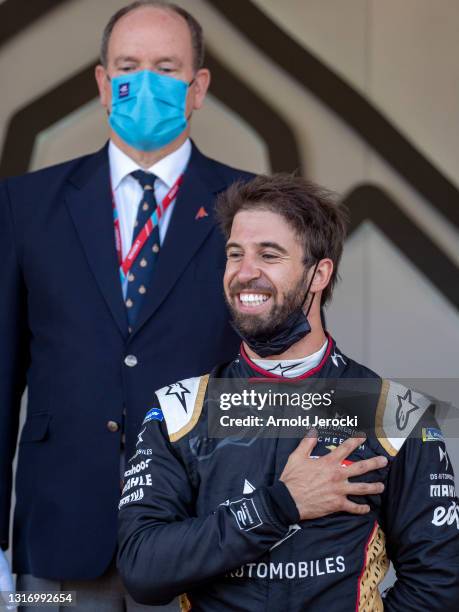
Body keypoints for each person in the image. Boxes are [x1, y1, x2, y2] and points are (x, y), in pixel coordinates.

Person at [0, 1, 253, 609]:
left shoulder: (250, 207)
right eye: (128, 65)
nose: (145, 83)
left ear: (198, 88)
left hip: (202, 537)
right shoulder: (26, 205)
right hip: (57, 538)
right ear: (101, 82)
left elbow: (272, 364)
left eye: (166, 68)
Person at [118, 174, 459, 611]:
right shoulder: (179, 410)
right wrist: (280, 506)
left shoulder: (394, 412)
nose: (245, 272)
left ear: (319, 273)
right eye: (235, 254)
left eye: (269, 255)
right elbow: (143, 569)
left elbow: (440, 582)